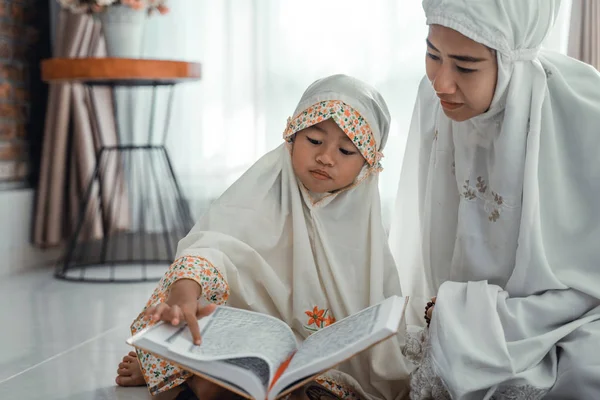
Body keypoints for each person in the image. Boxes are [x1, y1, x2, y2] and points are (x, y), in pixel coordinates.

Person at [117, 74, 412, 399]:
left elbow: (375, 321)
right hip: (248, 335)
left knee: (322, 387)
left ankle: (213, 384)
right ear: (291, 137)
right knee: (197, 303)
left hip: (313, 360)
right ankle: (203, 374)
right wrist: (185, 291)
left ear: (368, 167)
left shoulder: (364, 236)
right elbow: (212, 248)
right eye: (314, 140)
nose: (326, 157)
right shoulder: (262, 192)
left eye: (346, 150)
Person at [389, 0, 600, 398]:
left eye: (465, 66)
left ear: (511, 61)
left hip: (566, 316)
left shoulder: (582, 110)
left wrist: (471, 317)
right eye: (432, 54)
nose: (441, 83)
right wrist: (455, 313)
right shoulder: (433, 98)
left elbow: (588, 284)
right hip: (455, 310)